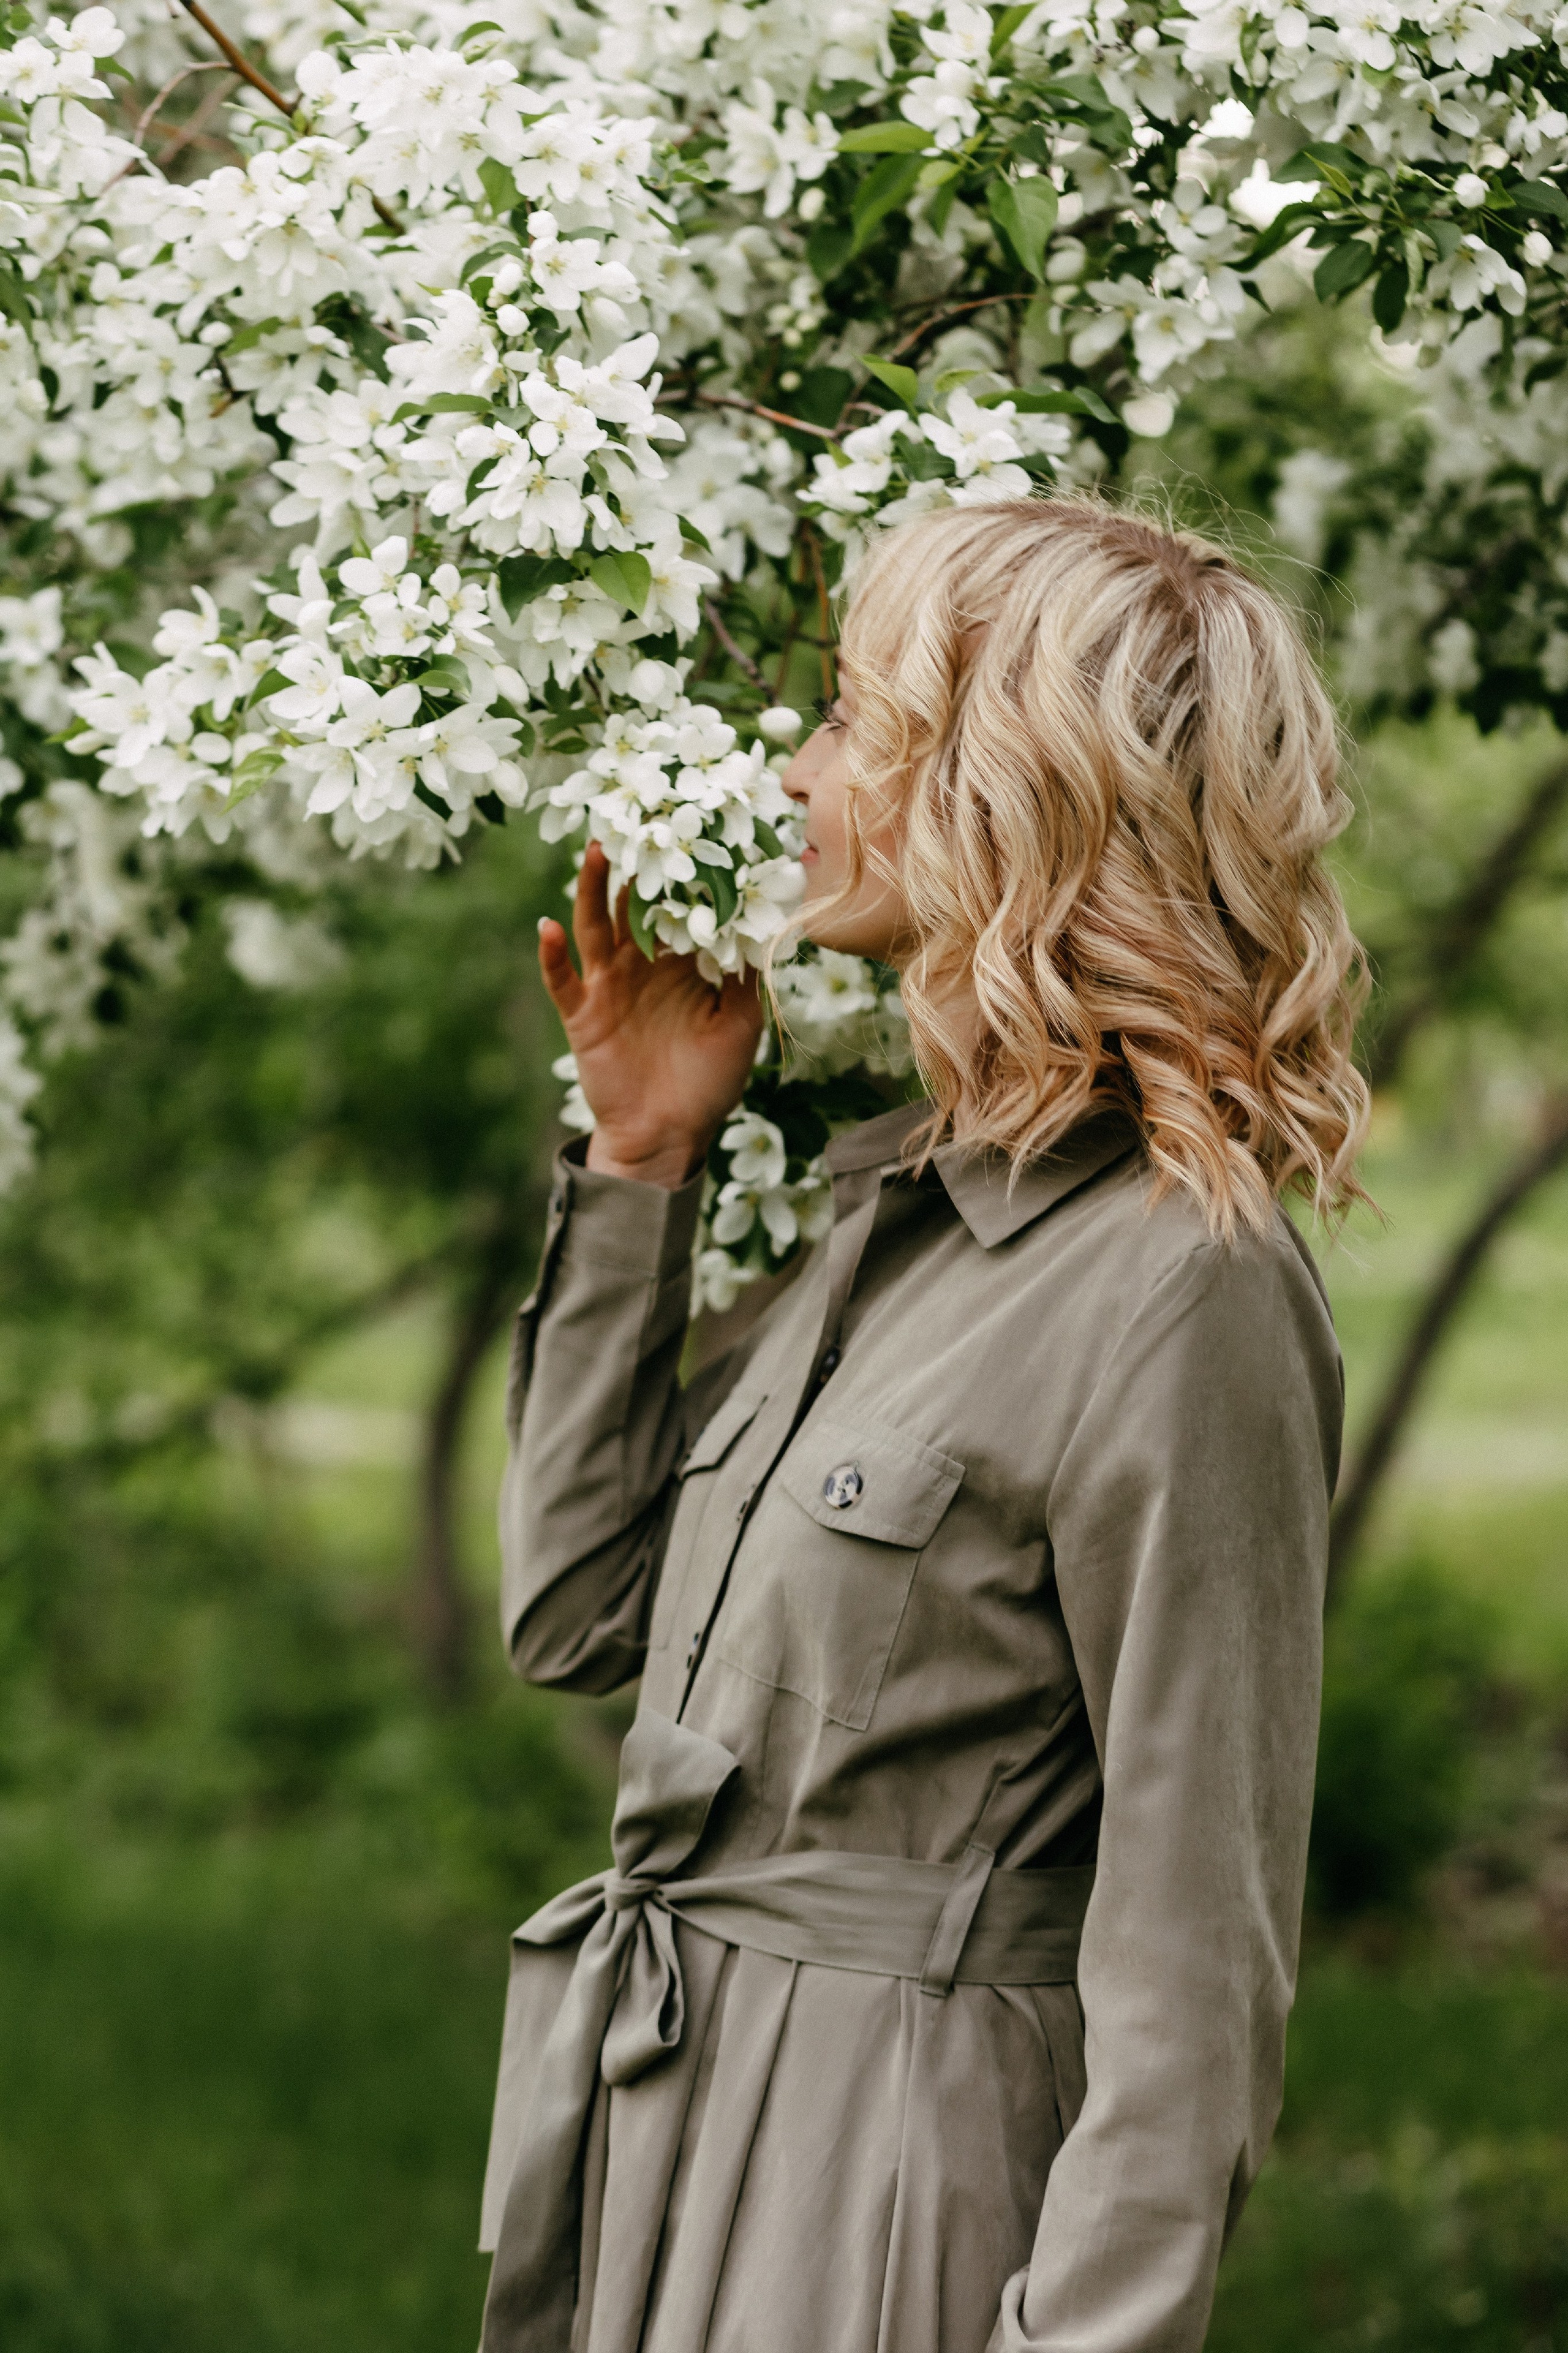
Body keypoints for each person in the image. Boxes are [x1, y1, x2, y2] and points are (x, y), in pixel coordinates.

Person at [477, 494, 1367, 2353]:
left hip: (895, 2189)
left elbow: (1195, 1965)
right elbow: (576, 1619)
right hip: (671, 2121)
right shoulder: (896, 1215)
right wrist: (641, 1157)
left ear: (1001, 785)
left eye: (855, 723)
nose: (799, 770)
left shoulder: (1183, 1286)